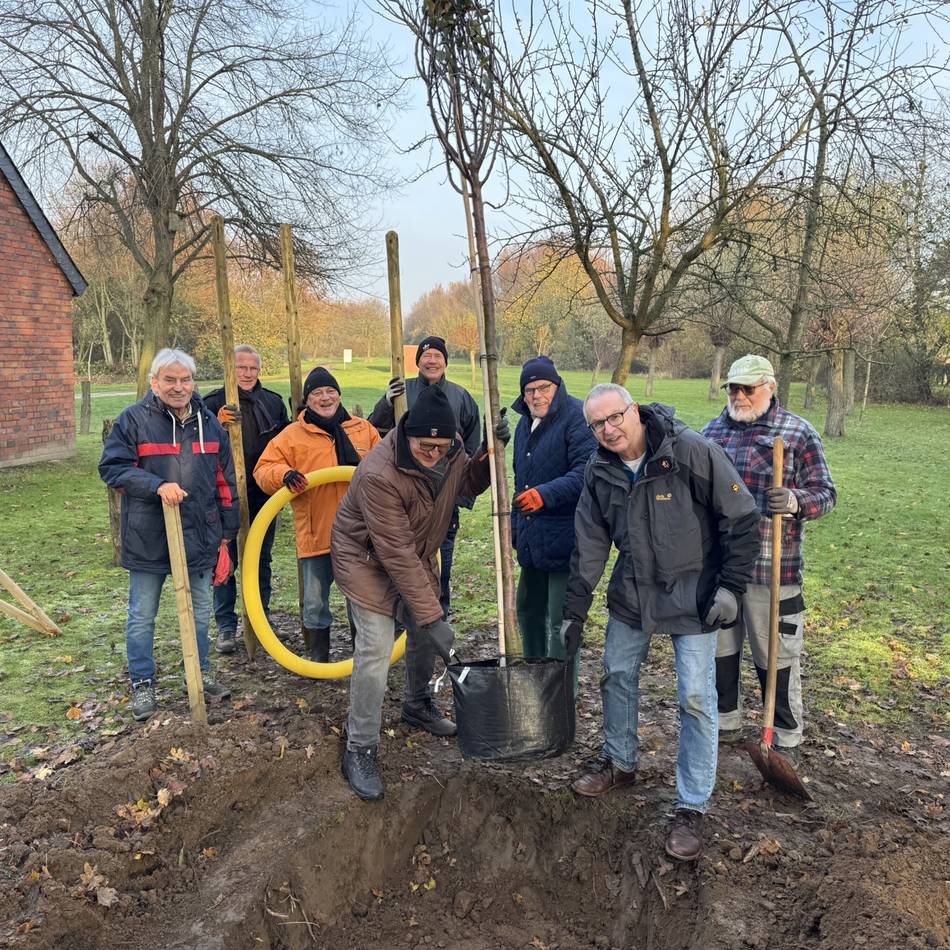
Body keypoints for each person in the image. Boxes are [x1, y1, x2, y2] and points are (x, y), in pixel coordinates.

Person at [561, 383, 758, 861]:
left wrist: (731, 588)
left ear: (634, 411)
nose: (608, 430)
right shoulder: (599, 470)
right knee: (617, 674)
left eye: (615, 417)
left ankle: (691, 806)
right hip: (634, 592)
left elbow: (743, 517)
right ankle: (619, 761)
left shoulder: (690, 451)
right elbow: (590, 543)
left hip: (694, 594)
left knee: (694, 697)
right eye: (597, 424)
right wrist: (575, 608)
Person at [332, 386, 510, 801]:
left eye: (441, 446)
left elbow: (465, 481)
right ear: (406, 433)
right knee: (376, 648)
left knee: (425, 632)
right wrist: (432, 617)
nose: (433, 453)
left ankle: (417, 705)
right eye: (425, 446)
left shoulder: (451, 447)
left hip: (416, 552)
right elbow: (395, 554)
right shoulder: (380, 473)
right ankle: (360, 747)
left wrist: (489, 458)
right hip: (367, 561)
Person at [702, 354, 836, 765]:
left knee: (776, 655)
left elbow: (826, 493)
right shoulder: (710, 434)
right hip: (721, 569)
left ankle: (783, 737)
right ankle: (725, 725)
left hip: (772, 568)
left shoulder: (797, 433)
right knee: (720, 650)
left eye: (748, 388)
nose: (739, 396)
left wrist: (797, 501)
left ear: (770, 387)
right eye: (733, 388)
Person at [99, 348, 238, 722]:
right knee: (142, 614)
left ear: (193, 382)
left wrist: (226, 534)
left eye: (185, 380)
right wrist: (157, 485)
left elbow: (225, 481)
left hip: (200, 535)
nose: (179, 387)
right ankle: (143, 683)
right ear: (154, 382)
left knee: (201, 613)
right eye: (170, 380)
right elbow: (113, 468)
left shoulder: (210, 423)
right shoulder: (133, 421)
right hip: (148, 535)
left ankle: (200, 671)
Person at [254, 366, 380, 661]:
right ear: (307, 401)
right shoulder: (292, 436)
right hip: (316, 533)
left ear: (339, 395)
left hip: (360, 535)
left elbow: (387, 467)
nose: (325, 398)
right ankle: (318, 660)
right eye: (317, 393)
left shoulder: (363, 429)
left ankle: (362, 657)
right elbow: (262, 470)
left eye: (330, 392)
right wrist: (284, 474)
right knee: (314, 603)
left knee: (360, 600)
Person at [368, 335, 480, 619]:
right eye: (426, 355)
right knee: (402, 553)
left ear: (445, 362)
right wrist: (386, 401)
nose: (432, 360)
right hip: (403, 491)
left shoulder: (461, 397)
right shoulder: (403, 392)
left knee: (442, 553)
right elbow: (374, 430)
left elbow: (472, 447)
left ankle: (439, 611)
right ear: (417, 361)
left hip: (443, 494)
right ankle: (398, 612)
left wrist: (460, 495)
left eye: (437, 356)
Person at [510, 356, 596, 670]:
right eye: (530, 390)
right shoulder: (524, 424)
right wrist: (516, 529)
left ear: (556, 386)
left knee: (562, 621)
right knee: (528, 608)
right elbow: (521, 479)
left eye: (543, 387)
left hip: (566, 538)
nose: (537, 395)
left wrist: (545, 495)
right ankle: (535, 676)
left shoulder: (576, 418)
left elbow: (585, 473)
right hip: (533, 538)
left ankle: (559, 693)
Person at [202, 345, 289, 653]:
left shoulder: (273, 404)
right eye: (241, 367)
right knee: (227, 561)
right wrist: (214, 421)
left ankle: (260, 617)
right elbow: (194, 442)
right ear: (231, 368)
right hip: (223, 495)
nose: (248, 373)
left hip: (263, 494)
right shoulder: (212, 402)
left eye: (253, 368)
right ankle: (226, 625)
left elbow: (287, 441)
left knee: (261, 559)